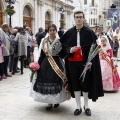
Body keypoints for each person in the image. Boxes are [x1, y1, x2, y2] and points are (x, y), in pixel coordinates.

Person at [60, 10, 104, 116]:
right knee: (75, 84)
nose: (79, 19)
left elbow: (94, 49)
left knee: (85, 84)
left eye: (80, 17)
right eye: (77, 17)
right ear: (74, 19)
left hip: (85, 63)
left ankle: (86, 106)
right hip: (72, 63)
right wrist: (70, 49)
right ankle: (78, 106)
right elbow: (62, 47)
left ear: (83, 18)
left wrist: (91, 60)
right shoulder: (69, 32)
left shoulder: (89, 32)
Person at [30, 24, 68, 110]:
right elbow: (41, 54)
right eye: (50, 30)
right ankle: (49, 102)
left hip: (57, 63)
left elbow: (64, 53)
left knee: (57, 81)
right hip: (45, 64)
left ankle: (57, 100)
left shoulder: (60, 41)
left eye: (53, 30)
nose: (52, 32)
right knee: (47, 82)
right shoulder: (44, 41)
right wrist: (37, 64)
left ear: (56, 31)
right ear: (48, 31)